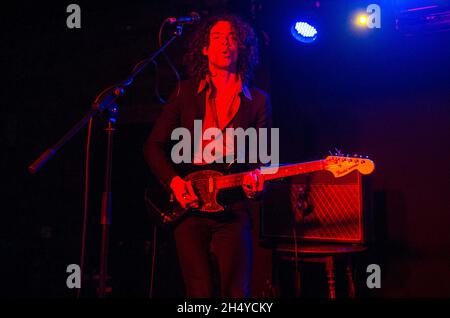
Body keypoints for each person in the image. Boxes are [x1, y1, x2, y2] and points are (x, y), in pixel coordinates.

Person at [143, 13, 271, 297]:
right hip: (189, 205)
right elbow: (153, 146)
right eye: (216, 38)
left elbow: (263, 160)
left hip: (233, 207)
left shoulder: (258, 100)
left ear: (242, 48)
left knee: (237, 293)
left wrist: (255, 187)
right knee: (199, 292)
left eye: (232, 38)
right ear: (204, 47)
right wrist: (175, 183)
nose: (225, 43)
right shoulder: (184, 92)